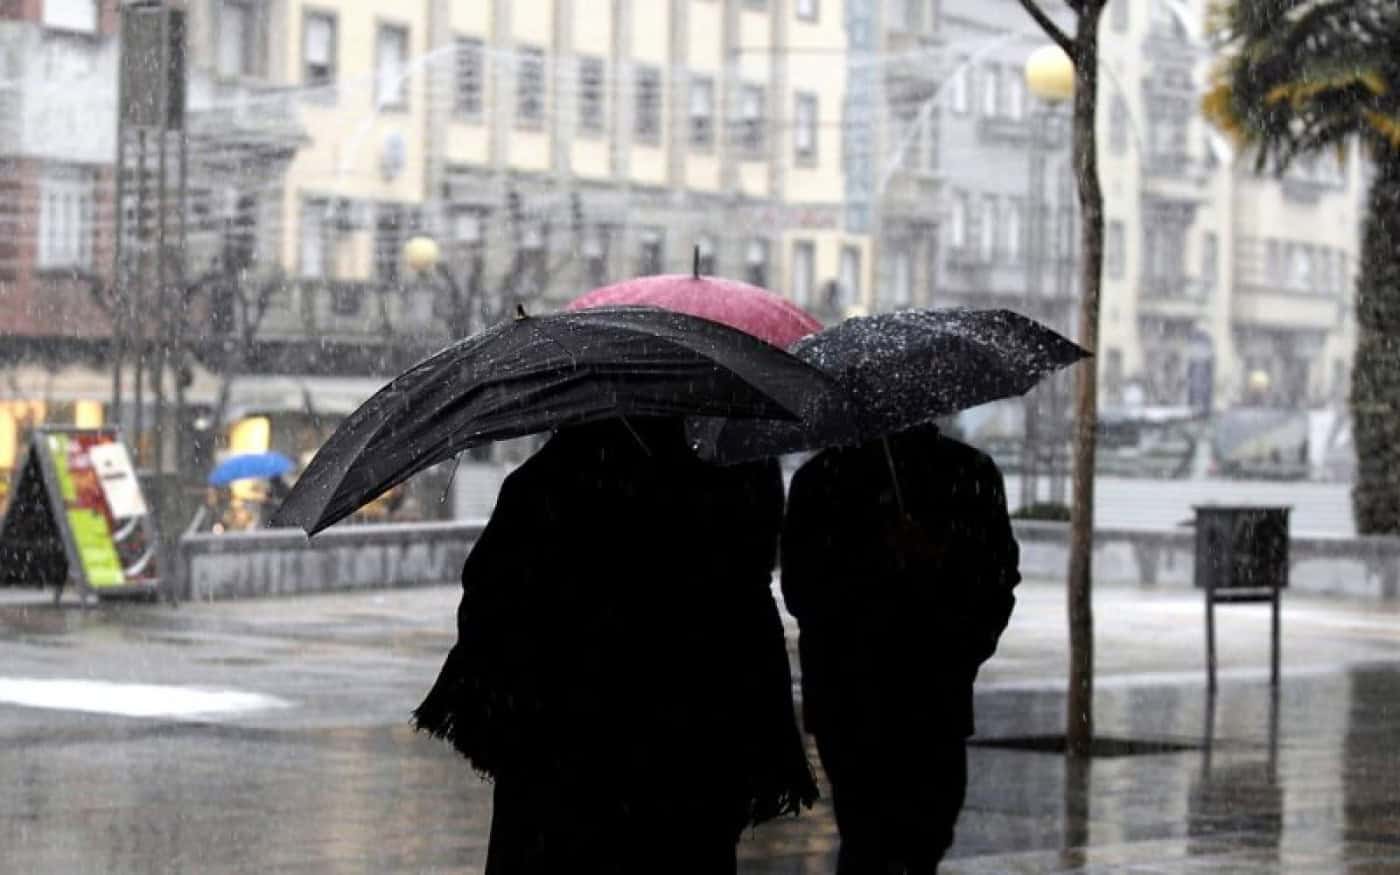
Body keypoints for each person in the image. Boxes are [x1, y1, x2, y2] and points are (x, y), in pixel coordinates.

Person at [414, 417, 816, 874]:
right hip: (684, 770)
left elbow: (487, 624)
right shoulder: (719, 487)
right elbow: (748, 621)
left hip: (558, 774)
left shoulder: (543, 487)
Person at [781, 422, 1020, 874]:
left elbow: (995, 580)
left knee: (917, 835)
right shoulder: (825, 480)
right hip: (862, 698)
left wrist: (938, 571)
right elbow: (805, 592)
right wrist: (878, 565)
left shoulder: (967, 473)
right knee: (875, 837)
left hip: (922, 693)